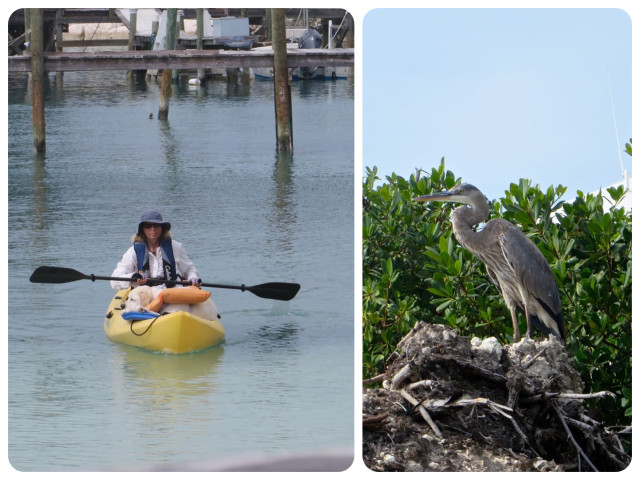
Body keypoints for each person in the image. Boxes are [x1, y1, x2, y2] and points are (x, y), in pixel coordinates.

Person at [111, 210, 201, 291]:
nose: (153, 229)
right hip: (145, 294)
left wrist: (193, 277)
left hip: (171, 293)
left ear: (162, 228)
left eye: (156, 225)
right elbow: (114, 280)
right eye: (148, 226)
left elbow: (189, 269)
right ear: (142, 229)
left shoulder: (175, 247)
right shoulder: (133, 252)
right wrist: (134, 277)